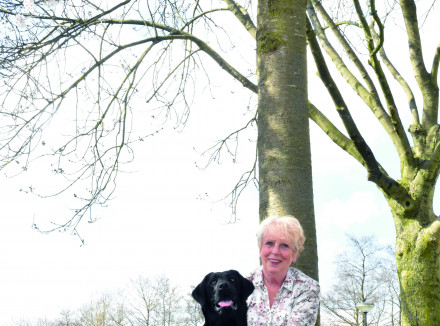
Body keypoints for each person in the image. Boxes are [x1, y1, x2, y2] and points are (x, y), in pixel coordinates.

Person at [247, 215, 320, 325]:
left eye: (284, 245)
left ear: (295, 254)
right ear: (260, 248)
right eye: (269, 243)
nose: (275, 251)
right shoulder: (242, 284)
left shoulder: (308, 288)